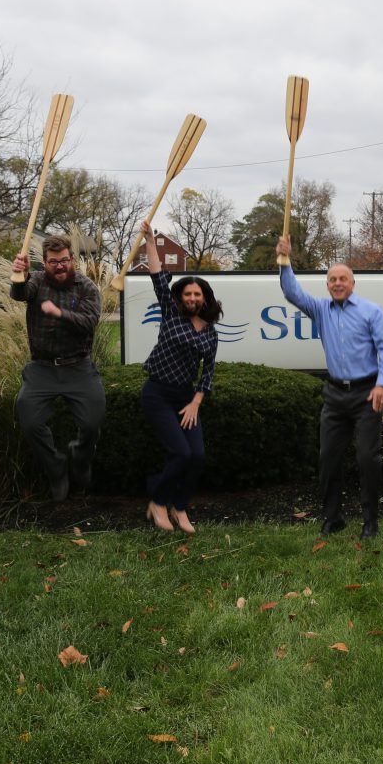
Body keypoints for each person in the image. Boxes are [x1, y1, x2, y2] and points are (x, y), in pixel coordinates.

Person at [276, 235, 383, 540]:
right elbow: (292, 292)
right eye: (332, 279)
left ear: (353, 283)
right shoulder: (320, 309)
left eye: (343, 278)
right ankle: (333, 518)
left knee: (367, 459)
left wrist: (382, 384)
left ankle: (370, 521)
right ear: (327, 284)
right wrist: (284, 260)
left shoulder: (371, 311)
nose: (337, 283)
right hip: (334, 396)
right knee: (328, 458)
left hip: (367, 394)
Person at [138, 221, 220, 535]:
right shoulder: (171, 313)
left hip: (185, 398)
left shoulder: (210, 332)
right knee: (180, 453)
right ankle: (158, 501)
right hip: (157, 394)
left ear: (205, 297)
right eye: (187, 293)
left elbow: (209, 370)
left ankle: (180, 506)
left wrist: (196, 402)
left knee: (196, 456)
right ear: (180, 297)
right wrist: (150, 241)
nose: (191, 298)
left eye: (197, 294)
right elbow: (158, 275)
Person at [10, 236, 104, 502]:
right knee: (30, 421)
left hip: (79, 367)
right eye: (54, 262)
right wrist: (21, 272)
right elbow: (19, 293)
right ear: (45, 263)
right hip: (42, 368)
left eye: (64, 260)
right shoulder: (37, 281)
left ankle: (79, 459)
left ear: (72, 260)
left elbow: (89, 321)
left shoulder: (86, 287)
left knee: (92, 423)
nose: (60, 266)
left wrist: (59, 313)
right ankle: (56, 468)